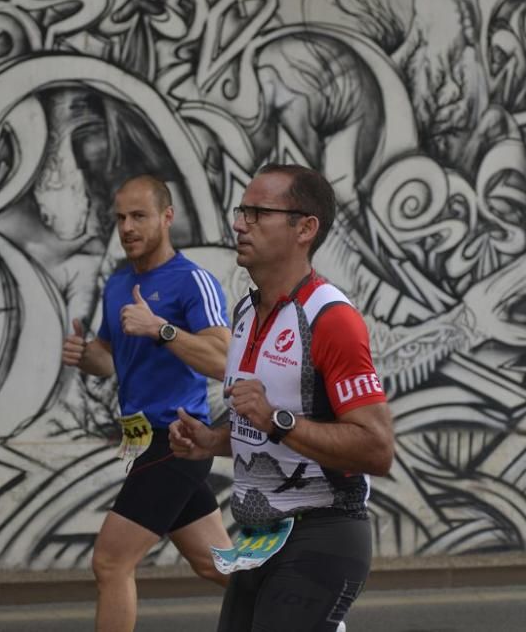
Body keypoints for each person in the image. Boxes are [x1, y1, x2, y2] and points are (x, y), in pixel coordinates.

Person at [169, 163, 395, 632]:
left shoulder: (331, 318)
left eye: (257, 213)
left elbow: (376, 448)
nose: (238, 224)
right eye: (241, 211)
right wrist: (213, 441)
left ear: (305, 229)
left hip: (323, 535)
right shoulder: (247, 312)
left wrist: (278, 420)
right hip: (259, 540)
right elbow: (266, 425)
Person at [61, 175, 232, 632]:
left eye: (139, 216)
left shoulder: (193, 282)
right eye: (120, 218)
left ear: (167, 217)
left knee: (110, 563)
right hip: (140, 440)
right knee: (217, 566)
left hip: (176, 440)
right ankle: (305, 613)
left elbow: (223, 360)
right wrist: (86, 356)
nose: (128, 228)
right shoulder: (118, 283)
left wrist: (163, 329)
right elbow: (109, 358)